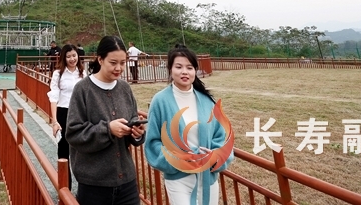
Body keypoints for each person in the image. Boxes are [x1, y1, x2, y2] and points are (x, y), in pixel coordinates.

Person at [145, 46, 234, 205]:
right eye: (178, 67)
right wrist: (179, 158)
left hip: (208, 177)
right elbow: (153, 142)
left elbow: (222, 137)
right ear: (170, 69)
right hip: (179, 178)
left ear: (195, 71)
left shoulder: (208, 102)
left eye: (189, 67)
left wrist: (215, 156)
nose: (184, 72)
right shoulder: (160, 101)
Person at [65, 35, 146, 205]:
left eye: (123, 63)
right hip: (94, 184)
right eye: (113, 62)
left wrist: (136, 134)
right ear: (100, 59)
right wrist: (108, 129)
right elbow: (73, 133)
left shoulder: (124, 88)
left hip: (127, 181)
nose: (119, 68)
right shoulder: (83, 89)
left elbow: (131, 120)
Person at [48, 44, 85, 190]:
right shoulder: (58, 74)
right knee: (63, 152)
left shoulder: (82, 73)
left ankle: (84, 191)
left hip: (81, 114)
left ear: (78, 56)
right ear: (64, 57)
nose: (72, 59)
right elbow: (54, 96)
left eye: (74, 55)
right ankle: (65, 189)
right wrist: (55, 120)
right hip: (63, 113)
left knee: (83, 151)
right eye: (68, 56)